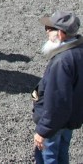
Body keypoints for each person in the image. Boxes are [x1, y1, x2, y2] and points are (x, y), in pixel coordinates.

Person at [33, 10, 83, 164]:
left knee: (47, 157)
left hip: (55, 124)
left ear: (60, 34)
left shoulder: (62, 61)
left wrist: (43, 131)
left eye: (49, 29)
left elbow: (57, 101)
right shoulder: (79, 51)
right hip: (69, 119)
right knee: (62, 153)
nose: (47, 32)